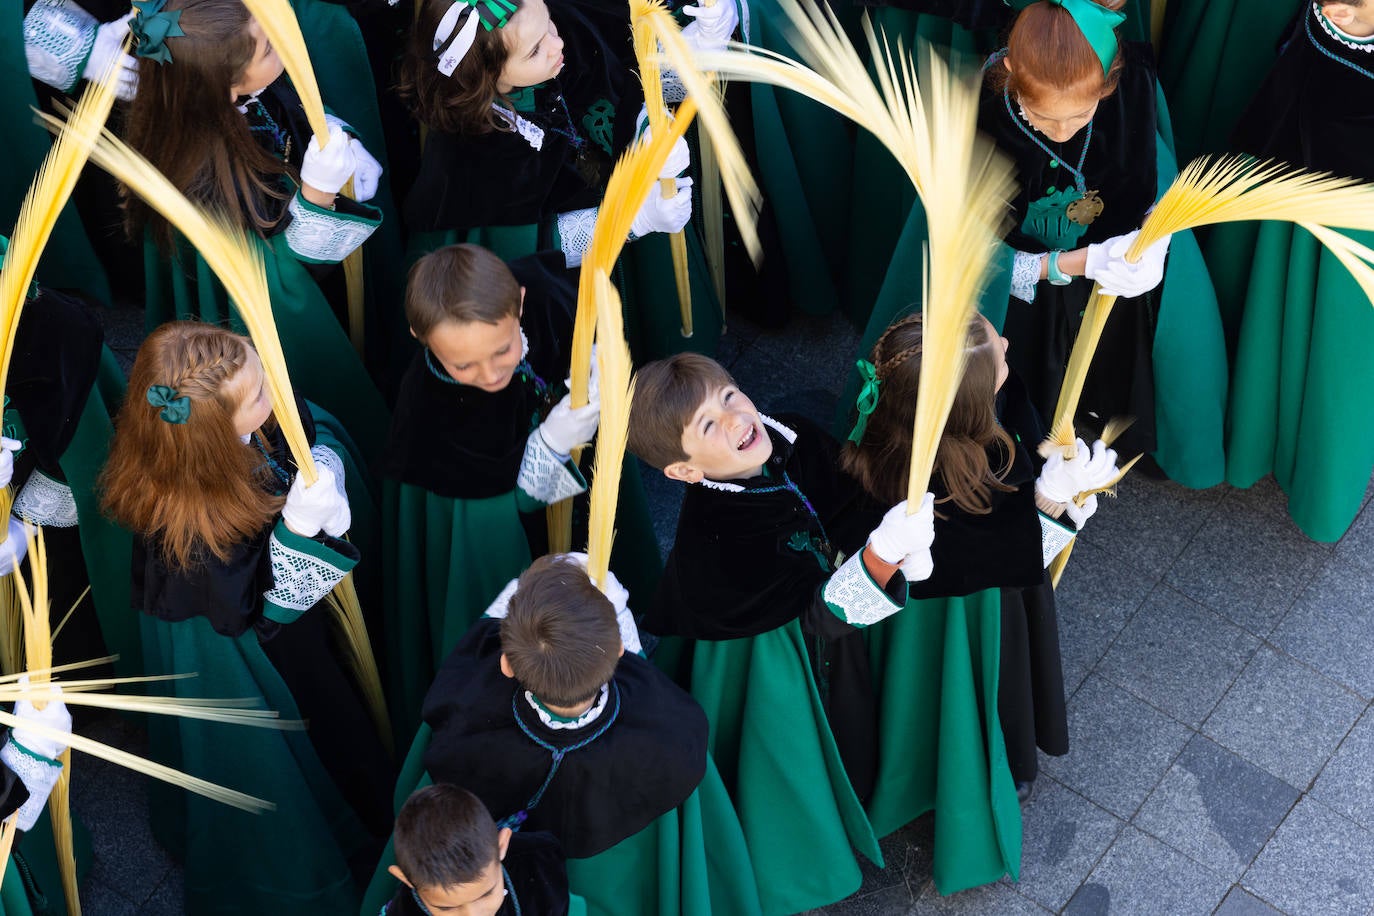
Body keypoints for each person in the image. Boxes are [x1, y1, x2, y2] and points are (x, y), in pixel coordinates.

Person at [846, 0, 1228, 490]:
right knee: (1030, 389)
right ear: (1010, 71)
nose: (1065, 130)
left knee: (1111, 363)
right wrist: (1077, 261)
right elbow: (970, 253)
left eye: (1083, 113)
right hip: (1025, 302)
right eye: (1045, 117)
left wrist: (1155, 234)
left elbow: (1152, 171)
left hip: (1110, 276)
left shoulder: (1133, 84)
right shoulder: (977, 121)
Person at [628, 353, 937, 914]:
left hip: (832, 623)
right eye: (707, 426)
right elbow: (815, 618)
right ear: (685, 471)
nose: (734, 420)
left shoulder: (789, 433)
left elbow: (844, 497)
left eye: (728, 397)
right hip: (784, 660)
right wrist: (881, 559)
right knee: (821, 743)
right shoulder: (722, 543)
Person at [100, 322, 392, 914]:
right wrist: (300, 532)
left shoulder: (210, 443)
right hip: (253, 653)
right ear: (212, 436)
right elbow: (259, 607)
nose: (272, 394)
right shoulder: (189, 531)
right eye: (258, 396)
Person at [838, 312, 1118, 892]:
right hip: (969, 617)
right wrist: (1054, 502)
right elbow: (1012, 561)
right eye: (998, 352)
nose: (1010, 342)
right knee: (984, 686)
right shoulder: (961, 485)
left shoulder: (886, 432)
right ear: (968, 405)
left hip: (903, 617)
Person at [362, 553, 761, 916]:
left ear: (506, 665)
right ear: (619, 650)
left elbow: (467, 663)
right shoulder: (663, 727)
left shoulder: (471, 706)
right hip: (616, 867)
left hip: (480, 875)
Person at [381, 243, 662, 743]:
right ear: (418, 338)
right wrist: (550, 445)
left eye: (503, 350)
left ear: (521, 303)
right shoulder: (429, 409)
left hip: (573, 493)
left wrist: (602, 363)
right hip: (515, 533)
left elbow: (584, 320)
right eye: (464, 365)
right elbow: (486, 512)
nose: (490, 374)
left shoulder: (546, 300)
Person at [121, 0, 394, 464]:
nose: (280, 41)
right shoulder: (202, 179)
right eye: (268, 46)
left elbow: (284, 108)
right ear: (225, 86)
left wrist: (332, 130)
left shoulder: (238, 92)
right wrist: (317, 196)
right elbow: (274, 277)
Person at [398, 0, 734, 360]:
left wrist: (646, 130)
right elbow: (528, 248)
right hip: (573, 281)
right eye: (534, 50)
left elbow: (620, 79)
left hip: (619, 203)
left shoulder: (561, 33)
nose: (556, 45)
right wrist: (631, 219)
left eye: (550, 25)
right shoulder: (478, 149)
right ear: (489, 78)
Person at [1206, 0, 1374, 541]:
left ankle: (1315, 477)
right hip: (1289, 189)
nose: (1337, 9)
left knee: (1337, 358)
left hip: (1349, 223)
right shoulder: (1326, 17)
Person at [379, 784, 571, 916]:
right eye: (446, 908)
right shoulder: (403, 911)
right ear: (406, 879)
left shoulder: (539, 861)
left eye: (486, 894)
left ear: (502, 845)